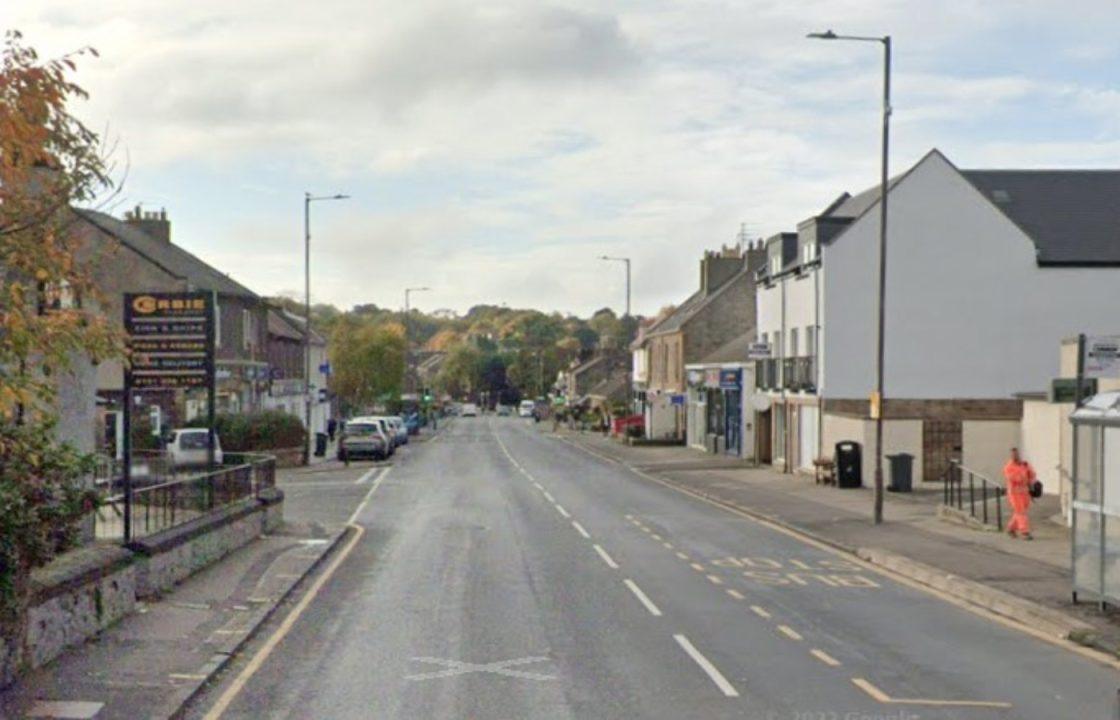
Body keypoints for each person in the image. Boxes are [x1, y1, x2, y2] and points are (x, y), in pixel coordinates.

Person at [1003, 447, 1035, 540]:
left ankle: (1011, 528)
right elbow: (1014, 479)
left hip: (1025, 492)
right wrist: (1024, 476)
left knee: (1020, 512)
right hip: (1014, 493)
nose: (1015, 456)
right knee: (1021, 512)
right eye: (1013, 454)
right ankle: (1024, 531)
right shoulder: (1008, 467)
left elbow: (1032, 474)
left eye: (1016, 454)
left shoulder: (1025, 464)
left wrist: (1031, 482)